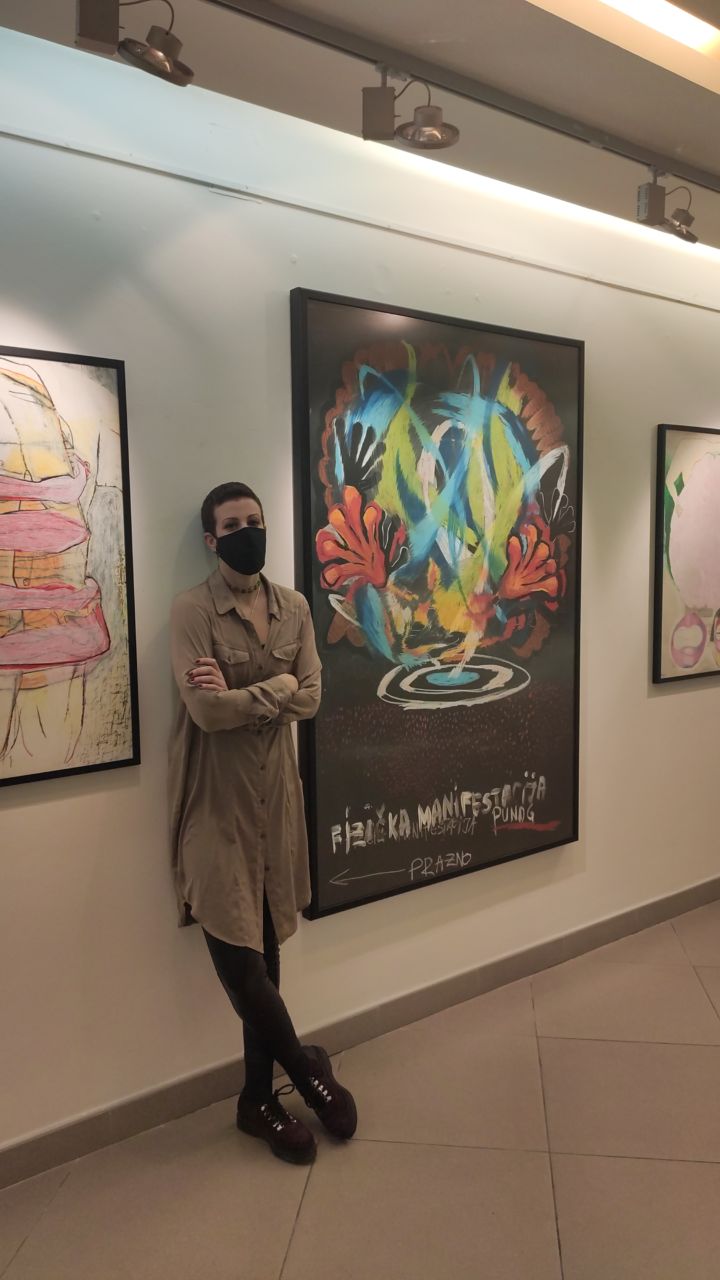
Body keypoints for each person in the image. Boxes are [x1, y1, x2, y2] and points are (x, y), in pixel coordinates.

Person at [168, 481, 357, 1165]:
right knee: (243, 969)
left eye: (255, 520)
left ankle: (256, 1101)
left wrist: (248, 693)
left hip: (276, 805)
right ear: (211, 539)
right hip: (215, 810)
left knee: (267, 957)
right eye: (231, 525)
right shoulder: (191, 612)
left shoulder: (295, 608)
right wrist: (277, 689)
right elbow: (206, 713)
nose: (247, 532)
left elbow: (312, 696)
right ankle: (307, 1073)